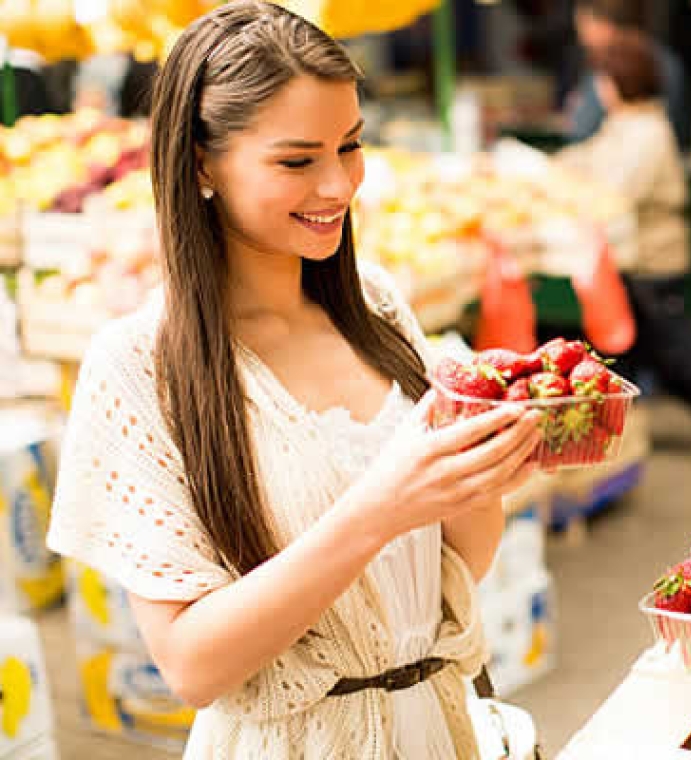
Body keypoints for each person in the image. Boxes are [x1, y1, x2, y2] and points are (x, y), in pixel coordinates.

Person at [46, 3, 541, 757]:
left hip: (440, 728)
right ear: (202, 164)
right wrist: (380, 509)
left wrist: (485, 463)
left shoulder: (373, 303)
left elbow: (455, 570)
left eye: (350, 146)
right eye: (297, 160)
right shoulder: (139, 368)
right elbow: (190, 666)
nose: (339, 185)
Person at [557, 32, 691, 461]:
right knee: (625, 353)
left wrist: (568, 190)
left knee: (677, 352)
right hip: (634, 261)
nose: (599, 88)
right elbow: (589, 158)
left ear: (618, 82)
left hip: (655, 263)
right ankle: (614, 438)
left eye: (602, 78)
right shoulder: (624, 127)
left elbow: (616, 190)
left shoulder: (647, 133)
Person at [568, 0, 691, 153]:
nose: (582, 39)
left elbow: (582, 131)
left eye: (583, 27)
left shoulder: (611, 65)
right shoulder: (664, 59)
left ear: (603, 24)